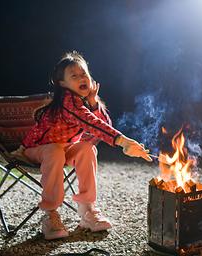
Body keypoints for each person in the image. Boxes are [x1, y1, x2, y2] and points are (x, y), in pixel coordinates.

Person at [20, 51, 152, 240]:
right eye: (74, 76)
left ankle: (87, 209)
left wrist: (93, 103)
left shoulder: (84, 102)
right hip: (36, 150)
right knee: (55, 151)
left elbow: (104, 124)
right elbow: (90, 123)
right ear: (62, 84)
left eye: (84, 74)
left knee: (87, 148)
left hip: (64, 148)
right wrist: (123, 141)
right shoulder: (67, 101)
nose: (81, 78)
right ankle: (50, 214)